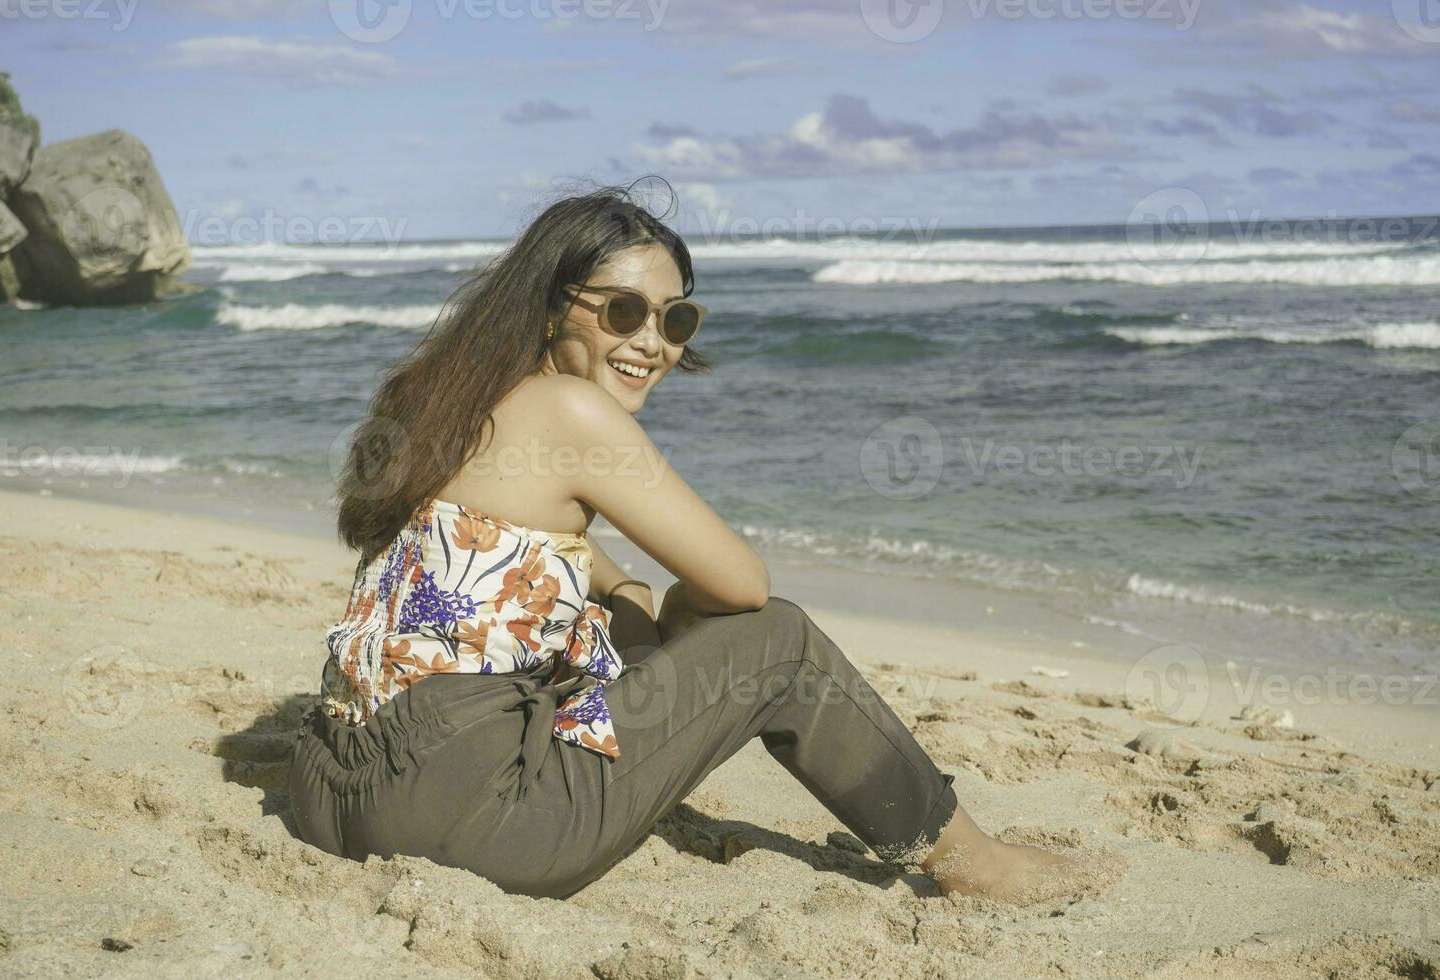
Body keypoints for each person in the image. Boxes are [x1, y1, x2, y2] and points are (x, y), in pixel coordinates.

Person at [287, 178, 1073, 902]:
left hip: (331, 790)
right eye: (624, 311)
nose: (654, 343)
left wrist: (625, 590)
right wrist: (682, 615)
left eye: (676, 318)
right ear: (553, 303)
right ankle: (975, 862)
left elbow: (509, 534)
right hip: (465, 818)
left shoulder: (447, 401)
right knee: (781, 640)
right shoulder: (571, 412)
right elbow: (744, 588)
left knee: (625, 622)